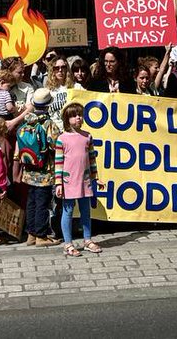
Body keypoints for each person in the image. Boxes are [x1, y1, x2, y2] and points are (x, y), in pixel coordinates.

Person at [17, 88, 61, 247]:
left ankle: (31, 234)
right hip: (44, 171)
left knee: (32, 202)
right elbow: (56, 144)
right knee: (43, 203)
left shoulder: (27, 120)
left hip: (29, 170)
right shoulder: (48, 123)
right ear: (49, 104)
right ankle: (42, 236)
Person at [55, 102, 101, 257]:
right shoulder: (62, 139)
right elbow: (58, 163)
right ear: (67, 119)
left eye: (80, 115)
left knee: (86, 211)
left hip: (85, 181)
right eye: (74, 116)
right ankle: (68, 243)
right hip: (68, 182)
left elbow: (92, 159)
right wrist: (58, 183)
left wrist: (96, 177)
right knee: (67, 212)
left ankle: (87, 240)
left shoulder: (87, 136)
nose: (78, 118)